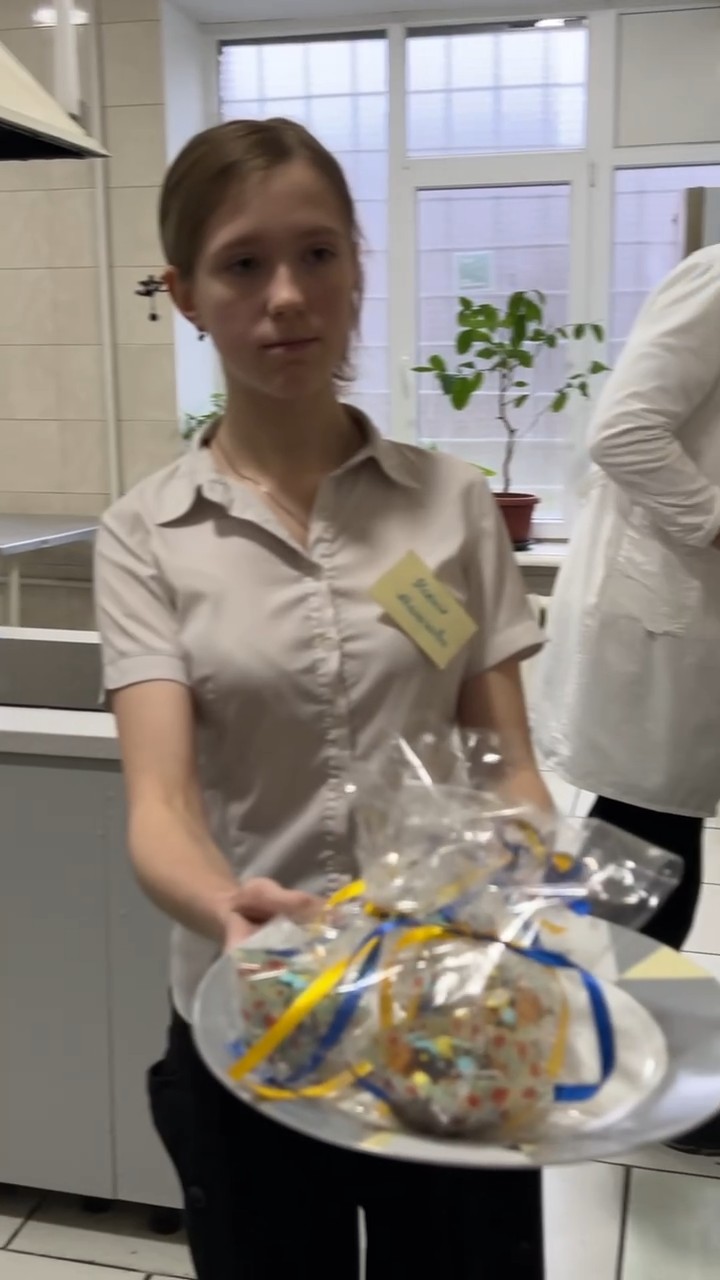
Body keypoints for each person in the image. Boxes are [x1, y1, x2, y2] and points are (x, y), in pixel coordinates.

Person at [94, 118, 551, 1280]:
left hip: (440, 1000)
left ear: (357, 267)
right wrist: (229, 908)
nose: (287, 296)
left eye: (317, 254)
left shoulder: (450, 505)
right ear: (186, 295)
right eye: (243, 264)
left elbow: (509, 765)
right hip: (254, 1010)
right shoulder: (146, 535)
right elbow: (161, 803)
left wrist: (521, 885)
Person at [534, 245, 720, 1152]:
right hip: (659, 620)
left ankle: (607, 1054)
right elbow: (624, 431)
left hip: (686, 621)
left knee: (653, 844)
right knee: (649, 847)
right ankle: (617, 1069)